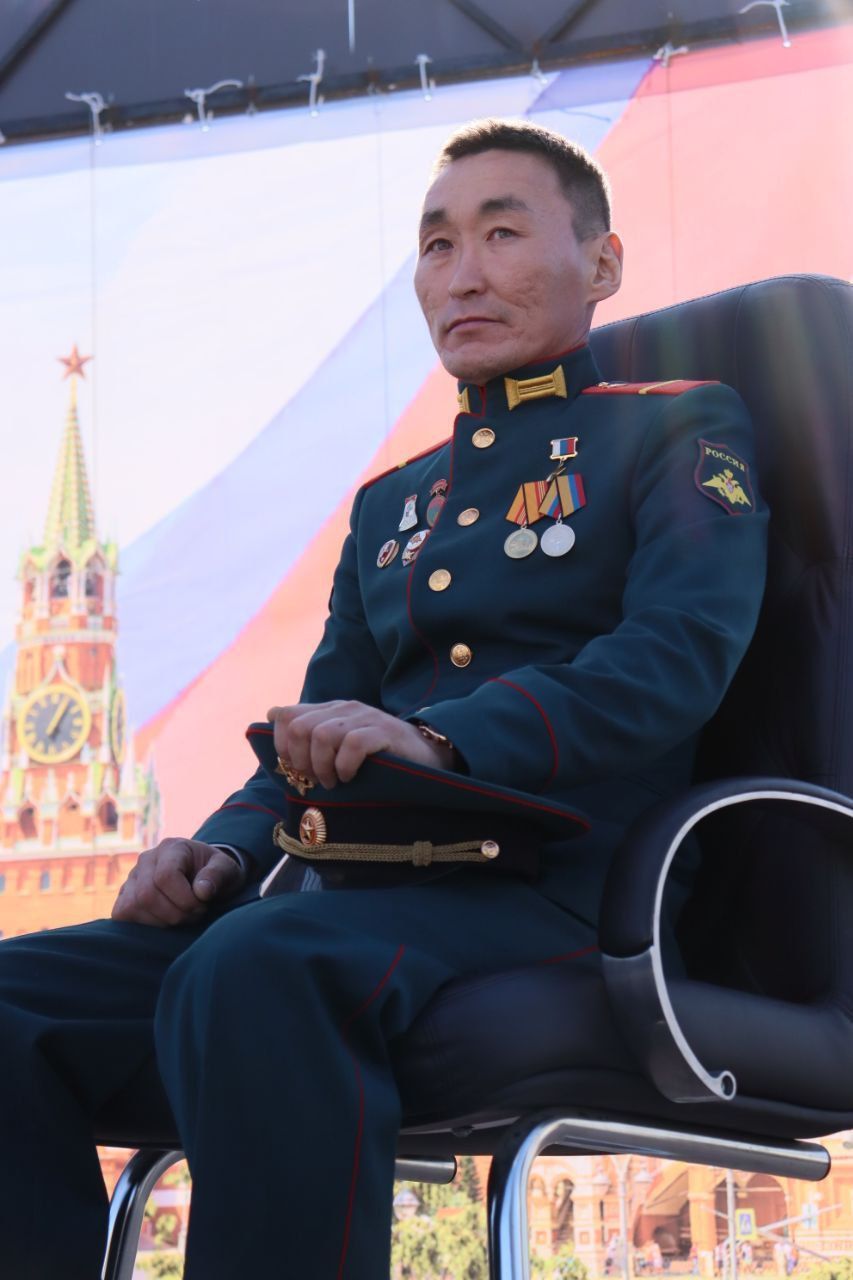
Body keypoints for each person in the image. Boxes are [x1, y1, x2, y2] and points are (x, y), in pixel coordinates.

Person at [0, 118, 768, 1279]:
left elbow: (674, 657)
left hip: (563, 893)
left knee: (260, 963)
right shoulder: (392, 505)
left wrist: (436, 737)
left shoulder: (676, 428)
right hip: (356, 897)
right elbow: (311, 732)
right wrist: (218, 853)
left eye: (501, 233)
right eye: (436, 244)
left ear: (601, 264)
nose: (462, 273)